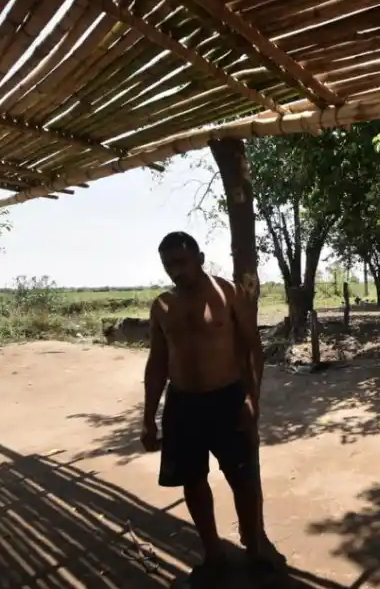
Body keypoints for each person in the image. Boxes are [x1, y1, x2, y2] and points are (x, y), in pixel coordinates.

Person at [140, 231, 285, 583]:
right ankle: (214, 553)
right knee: (193, 481)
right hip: (182, 405)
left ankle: (254, 547)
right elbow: (157, 362)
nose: (176, 270)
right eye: (168, 264)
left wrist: (253, 398)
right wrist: (148, 416)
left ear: (200, 258)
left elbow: (253, 348)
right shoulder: (162, 305)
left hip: (228, 398)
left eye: (182, 262)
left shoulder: (228, 294)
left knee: (243, 478)